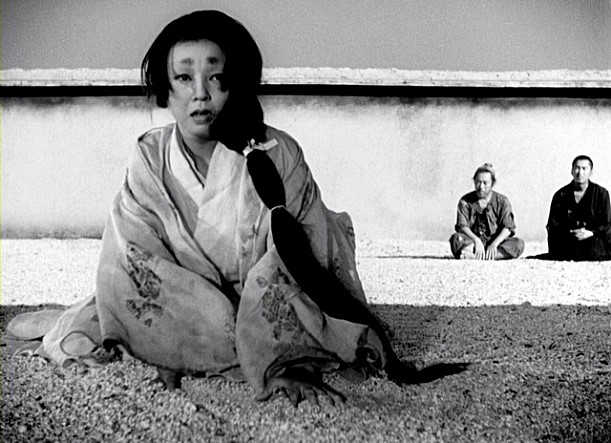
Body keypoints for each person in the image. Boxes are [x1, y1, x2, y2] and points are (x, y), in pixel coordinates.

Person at [7, 10, 419, 406]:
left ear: (236, 82)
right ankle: (162, 341)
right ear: (166, 89)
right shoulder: (150, 156)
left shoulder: (279, 153)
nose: (200, 93)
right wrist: (164, 344)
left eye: (216, 77)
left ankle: (253, 346)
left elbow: (299, 255)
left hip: (262, 301)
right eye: (184, 77)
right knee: (108, 318)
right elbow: (135, 252)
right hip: (184, 303)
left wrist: (288, 361)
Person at [449, 163, 525, 260]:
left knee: (518, 244)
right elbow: (462, 226)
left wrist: (494, 244)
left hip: (496, 244)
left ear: (492, 183)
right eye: (478, 182)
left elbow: (508, 228)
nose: (481, 187)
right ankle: (486, 255)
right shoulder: (465, 201)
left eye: (485, 183)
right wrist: (476, 240)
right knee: (456, 239)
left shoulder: (502, 201)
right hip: (473, 243)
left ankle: (477, 256)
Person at [545, 155, 611, 261]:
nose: (580, 172)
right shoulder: (561, 195)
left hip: (593, 239)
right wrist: (571, 232)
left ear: (591, 172)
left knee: (595, 247)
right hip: (569, 239)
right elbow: (553, 224)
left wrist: (590, 232)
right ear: (572, 171)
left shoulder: (601, 194)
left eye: (584, 168)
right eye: (577, 168)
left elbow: (606, 223)